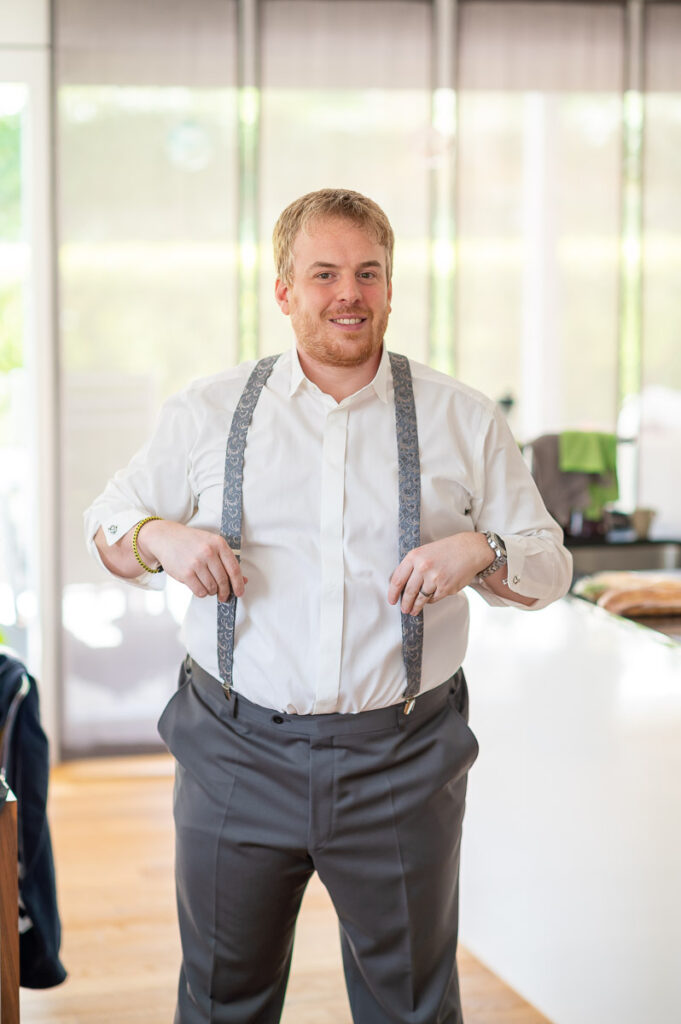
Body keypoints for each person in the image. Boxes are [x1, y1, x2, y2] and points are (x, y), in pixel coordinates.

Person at [85, 188, 572, 1024]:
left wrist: (481, 551)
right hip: (233, 752)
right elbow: (108, 527)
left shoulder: (463, 419)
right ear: (284, 290)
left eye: (367, 273)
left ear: (389, 287)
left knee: (411, 1006)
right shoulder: (206, 411)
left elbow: (550, 567)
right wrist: (161, 536)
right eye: (323, 274)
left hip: (404, 759)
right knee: (219, 1002)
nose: (348, 292)